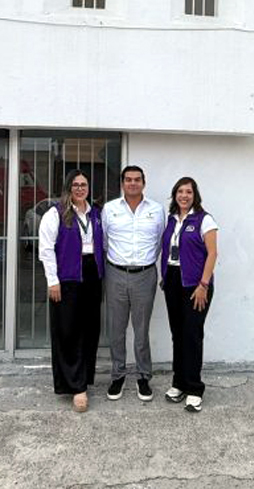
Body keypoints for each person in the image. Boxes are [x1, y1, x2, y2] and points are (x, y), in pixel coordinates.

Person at [38, 169, 105, 413]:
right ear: (68, 187)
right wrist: (52, 281)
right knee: (67, 330)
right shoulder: (55, 214)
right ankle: (76, 387)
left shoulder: (96, 213)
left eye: (83, 184)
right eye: (75, 184)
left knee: (90, 330)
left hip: (92, 275)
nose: (79, 188)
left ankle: (83, 378)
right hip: (66, 277)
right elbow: (46, 249)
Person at [102, 165, 166, 401]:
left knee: (141, 330)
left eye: (137, 179)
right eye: (128, 179)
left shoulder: (157, 210)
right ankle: (118, 375)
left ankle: (143, 376)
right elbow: (105, 241)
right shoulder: (109, 209)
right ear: (122, 183)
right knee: (116, 330)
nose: (132, 183)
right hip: (116, 273)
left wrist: (143, 263)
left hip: (145, 275)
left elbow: (160, 242)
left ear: (143, 183)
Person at [160, 177, 218, 413]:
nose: (184, 196)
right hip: (173, 281)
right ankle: (179, 383)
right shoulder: (171, 219)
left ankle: (194, 388)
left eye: (188, 192)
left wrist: (203, 284)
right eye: (180, 192)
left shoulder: (204, 219)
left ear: (195, 196)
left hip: (196, 284)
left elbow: (212, 253)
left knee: (192, 335)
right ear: (175, 195)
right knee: (178, 335)